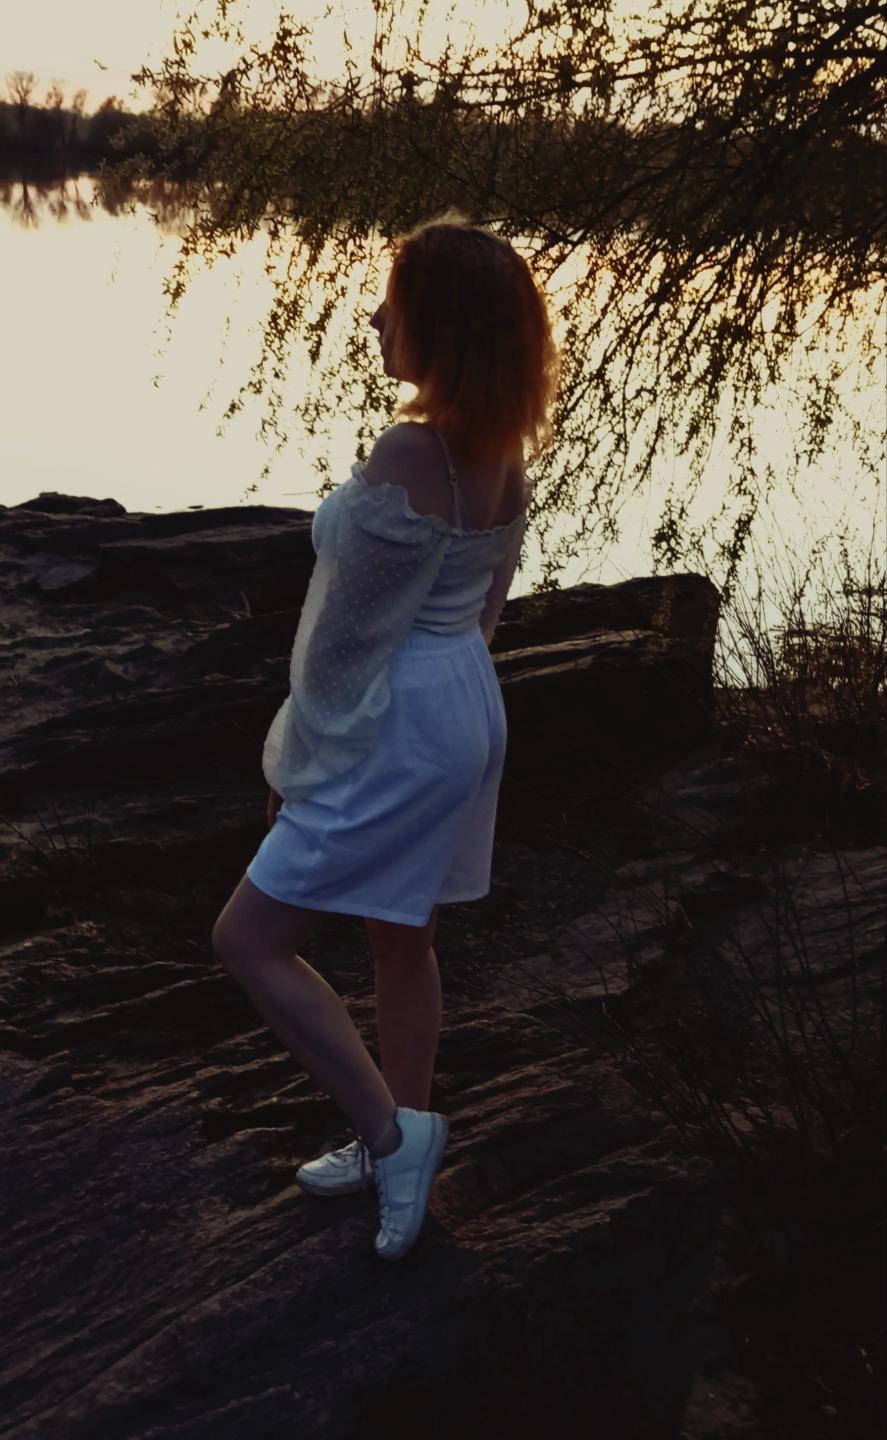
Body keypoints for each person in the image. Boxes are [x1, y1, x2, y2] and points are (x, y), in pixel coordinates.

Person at [210, 208, 559, 1261]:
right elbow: (483, 609)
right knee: (400, 939)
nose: (372, 319)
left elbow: (343, 637)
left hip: (394, 716)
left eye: (391, 305)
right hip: (462, 701)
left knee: (247, 940)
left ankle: (391, 1135)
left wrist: (299, 759)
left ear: (438, 328)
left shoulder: (412, 450)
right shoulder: (498, 451)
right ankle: (397, 1134)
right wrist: (454, 716)